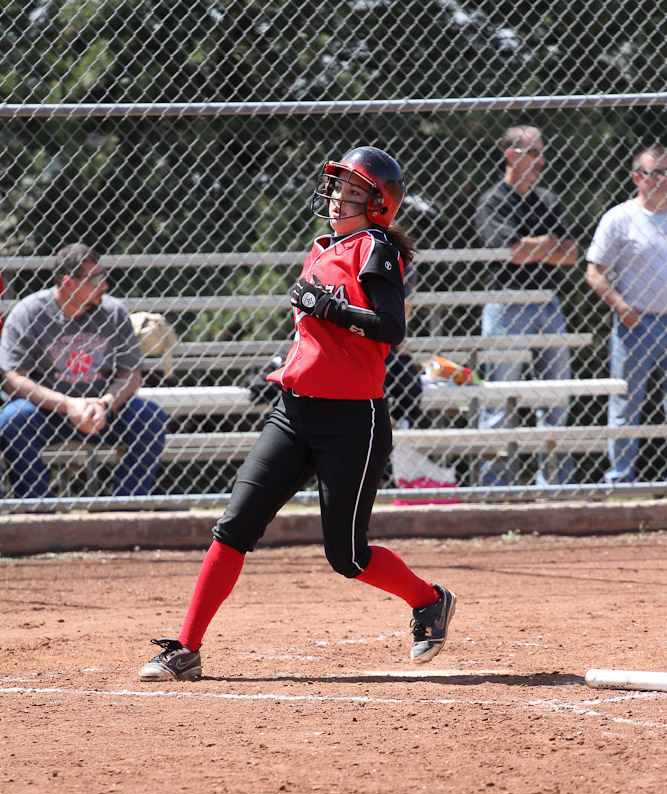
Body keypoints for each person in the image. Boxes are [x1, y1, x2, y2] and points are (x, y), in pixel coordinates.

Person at [138, 146, 456, 681]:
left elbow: (390, 328)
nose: (337, 198)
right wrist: (281, 362)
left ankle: (429, 600)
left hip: (351, 422)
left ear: (379, 204)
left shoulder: (375, 248)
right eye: (337, 188)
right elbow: (313, 334)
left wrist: (332, 309)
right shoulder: (322, 248)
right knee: (234, 526)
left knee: (347, 556)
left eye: (352, 191)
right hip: (293, 413)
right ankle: (185, 648)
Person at [0, 243, 168, 500]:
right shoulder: (29, 312)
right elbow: (12, 379)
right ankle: (38, 509)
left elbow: (131, 374)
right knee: (13, 419)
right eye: (95, 280)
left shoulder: (113, 311)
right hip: (47, 412)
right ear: (68, 282)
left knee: (150, 416)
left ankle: (125, 508)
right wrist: (68, 405)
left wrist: (105, 403)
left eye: (103, 277)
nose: (105, 286)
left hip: (102, 412)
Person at [475, 125, 579, 486]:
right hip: (507, 303)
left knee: (556, 398)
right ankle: (494, 488)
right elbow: (513, 253)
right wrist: (548, 244)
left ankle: (554, 484)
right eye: (533, 153)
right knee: (499, 400)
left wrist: (535, 247)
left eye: (541, 153)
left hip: (548, 302)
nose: (541, 160)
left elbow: (571, 254)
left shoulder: (547, 200)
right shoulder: (493, 201)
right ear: (511, 155)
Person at [585, 144, 667, 483]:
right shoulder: (619, 217)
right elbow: (594, 272)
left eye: (665, 173)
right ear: (637, 178)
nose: (661, 179)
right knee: (626, 405)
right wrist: (620, 306)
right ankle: (619, 479)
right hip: (636, 324)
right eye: (654, 173)